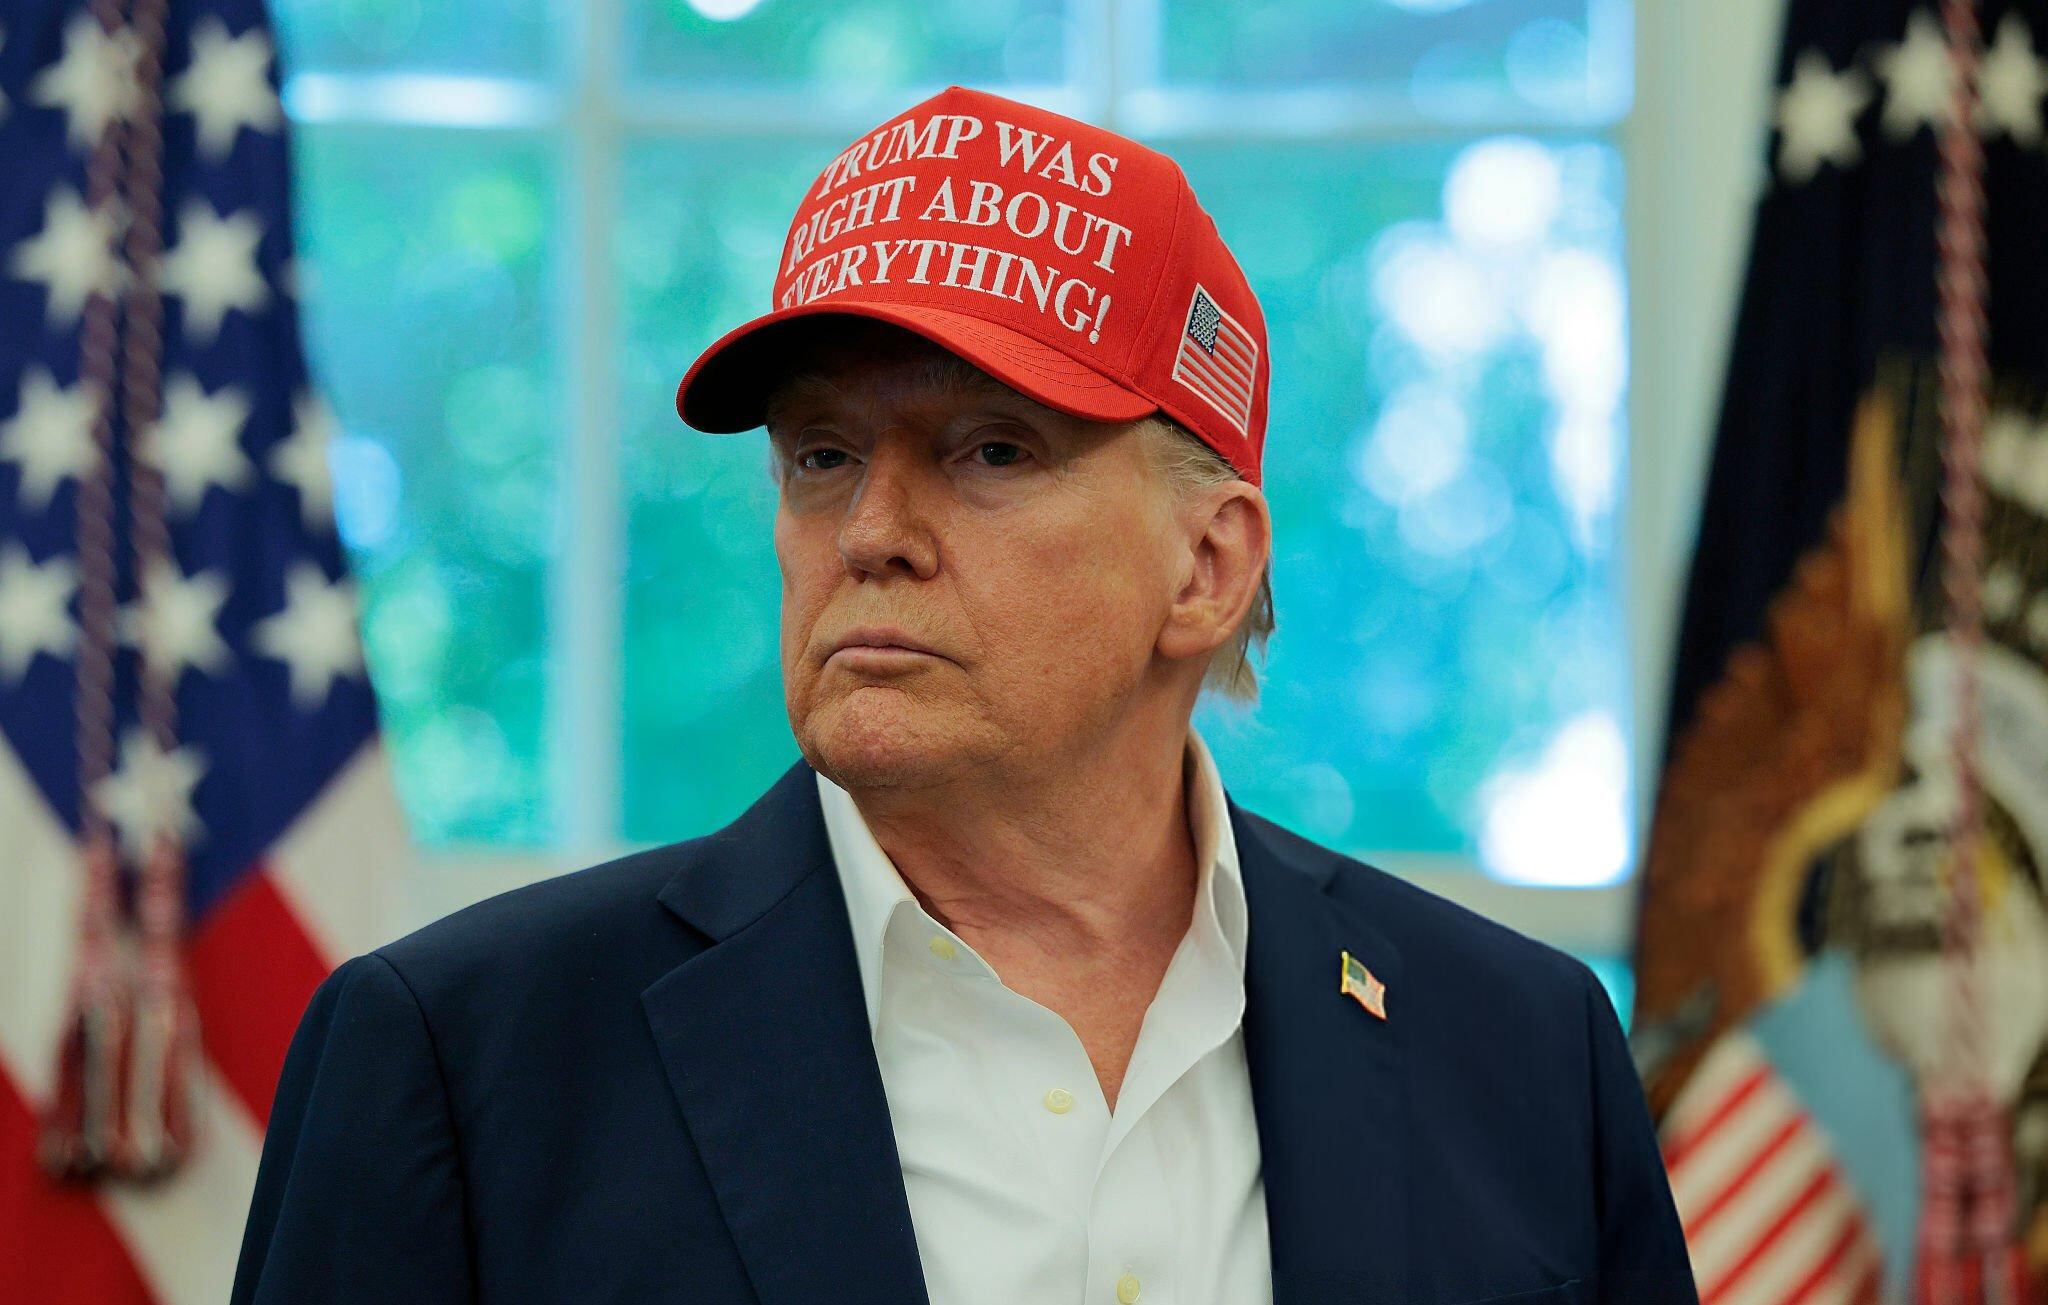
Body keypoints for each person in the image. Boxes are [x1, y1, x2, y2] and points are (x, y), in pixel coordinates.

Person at [230, 84, 1697, 1305]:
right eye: (822, 456)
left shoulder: (1523, 1059)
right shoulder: (465, 1059)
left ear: (1207, 564)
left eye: (992, 451)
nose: (871, 530)